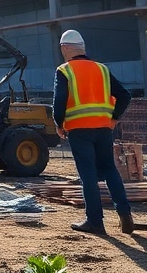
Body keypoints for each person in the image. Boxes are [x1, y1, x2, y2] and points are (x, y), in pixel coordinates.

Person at [53, 29, 133, 235]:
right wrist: (114, 118)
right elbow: (124, 95)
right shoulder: (102, 70)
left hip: (79, 130)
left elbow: (59, 101)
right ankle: (125, 214)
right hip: (104, 128)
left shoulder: (64, 70)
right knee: (109, 169)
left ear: (65, 48)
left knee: (87, 173)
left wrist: (58, 123)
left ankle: (95, 222)